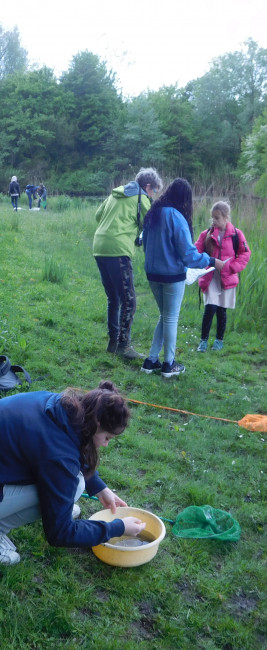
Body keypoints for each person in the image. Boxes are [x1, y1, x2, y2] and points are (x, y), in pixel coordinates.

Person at [0, 381, 146, 565]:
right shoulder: (59, 455)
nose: (106, 444)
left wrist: (100, 488)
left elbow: (61, 443)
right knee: (75, 485)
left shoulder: (61, 406)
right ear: (97, 423)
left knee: (69, 489)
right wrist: (118, 527)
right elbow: (60, 533)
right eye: (107, 437)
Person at [141, 178, 226, 378]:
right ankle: (169, 365)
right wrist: (211, 261)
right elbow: (189, 255)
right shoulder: (176, 216)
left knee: (165, 316)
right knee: (170, 318)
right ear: (184, 198)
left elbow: (145, 243)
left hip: (152, 273)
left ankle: (151, 360)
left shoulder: (153, 212)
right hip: (171, 276)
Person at [93, 167, 163, 359]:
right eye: (154, 191)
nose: (153, 195)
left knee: (114, 298)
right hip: (118, 250)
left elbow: (98, 216)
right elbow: (152, 224)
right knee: (129, 300)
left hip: (99, 247)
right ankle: (124, 346)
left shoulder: (116, 193)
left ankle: (113, 342)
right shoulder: (142, 199)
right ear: (147, 186)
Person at [194, 201, 251, 351]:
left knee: (221, 310)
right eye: (212, 217)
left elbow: (245, 253)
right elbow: (195, 251)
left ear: (226, 217)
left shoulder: (236, 235)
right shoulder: (206, 234)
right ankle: (203, 341)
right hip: (210, 277)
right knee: (210, 307)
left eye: (217, 218)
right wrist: (204, 263)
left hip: (227, 277)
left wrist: (233, 267)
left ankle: (219, 340)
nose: (214, 221)